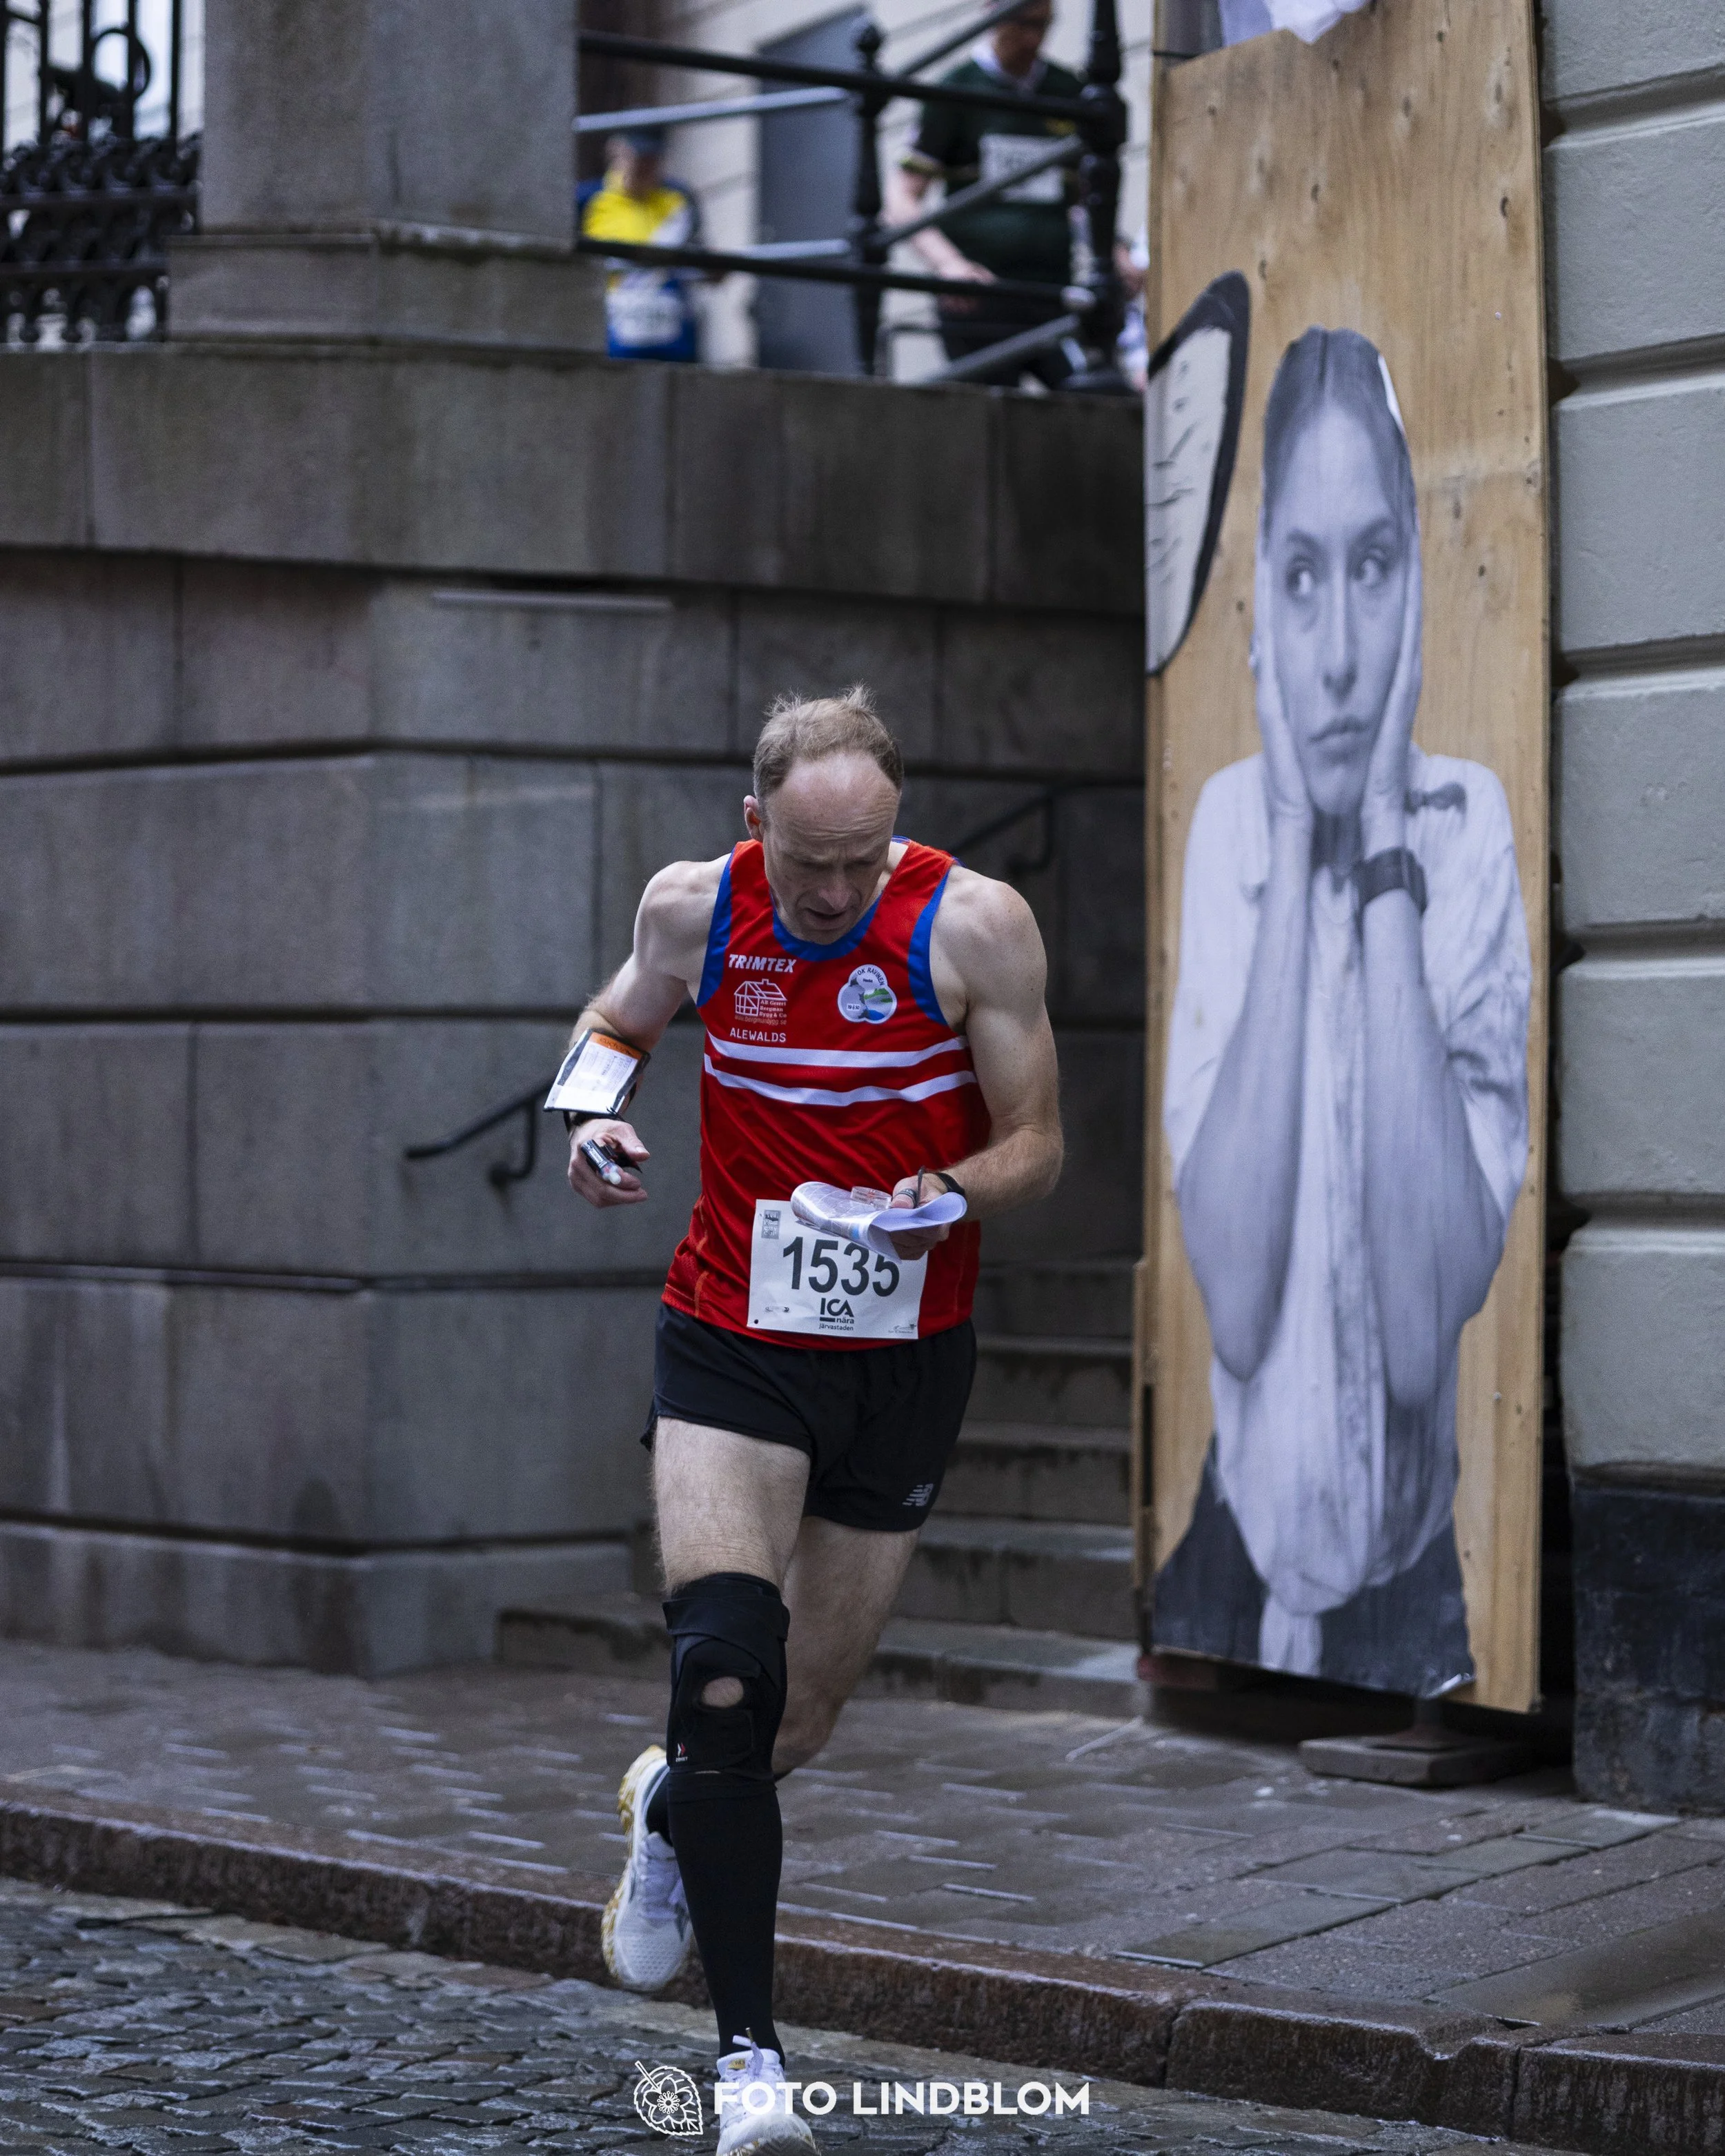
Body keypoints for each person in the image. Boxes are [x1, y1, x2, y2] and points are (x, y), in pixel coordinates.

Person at [565, 691, 1062, 2154]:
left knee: (792, 1718)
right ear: (752, 826)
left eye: (860, 859)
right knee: (725, 1664)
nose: (835, 893)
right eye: (806, 865)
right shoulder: (693, 910)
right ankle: (749, 2068)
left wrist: (951, 1190)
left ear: (891, 827)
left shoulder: (973, 926)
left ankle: (667, 1809)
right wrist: (592, 1118)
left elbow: (1037, 1139)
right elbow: (611, 1028)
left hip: (902, 1354)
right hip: (729, 1332)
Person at [1154, 328, 1530, 1699]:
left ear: (1417, 587)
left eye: (1369, 568)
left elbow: (1426, 1320)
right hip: (1226, 1569)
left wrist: (1374, 843)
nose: (1331, 657)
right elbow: (1239, 1308)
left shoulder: (1464, 826)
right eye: (1297, 576)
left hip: (1411, 1601)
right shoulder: (1222, 832)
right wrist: (1288, 836)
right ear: (1257, 602)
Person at [885, 0, 1086, 387]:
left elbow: (1086, 197)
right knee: (989, 422)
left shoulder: (1068, 90)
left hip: (1053, 289)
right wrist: (949, 266)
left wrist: (1115, 251)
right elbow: (902, 198)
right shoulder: (957, 89)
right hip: (979, 297)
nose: (1033, 38)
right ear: (991, 12)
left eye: (1043, 24)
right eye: (1021, 23)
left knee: (1094, 403)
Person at [578, 126, 705, 362]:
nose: (645, 165)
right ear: (615, 151)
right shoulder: (587, 199)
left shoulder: (680, 199)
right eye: (638, 156)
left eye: (653, 158)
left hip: (673, 336)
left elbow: (703, 260)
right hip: (608, 332)